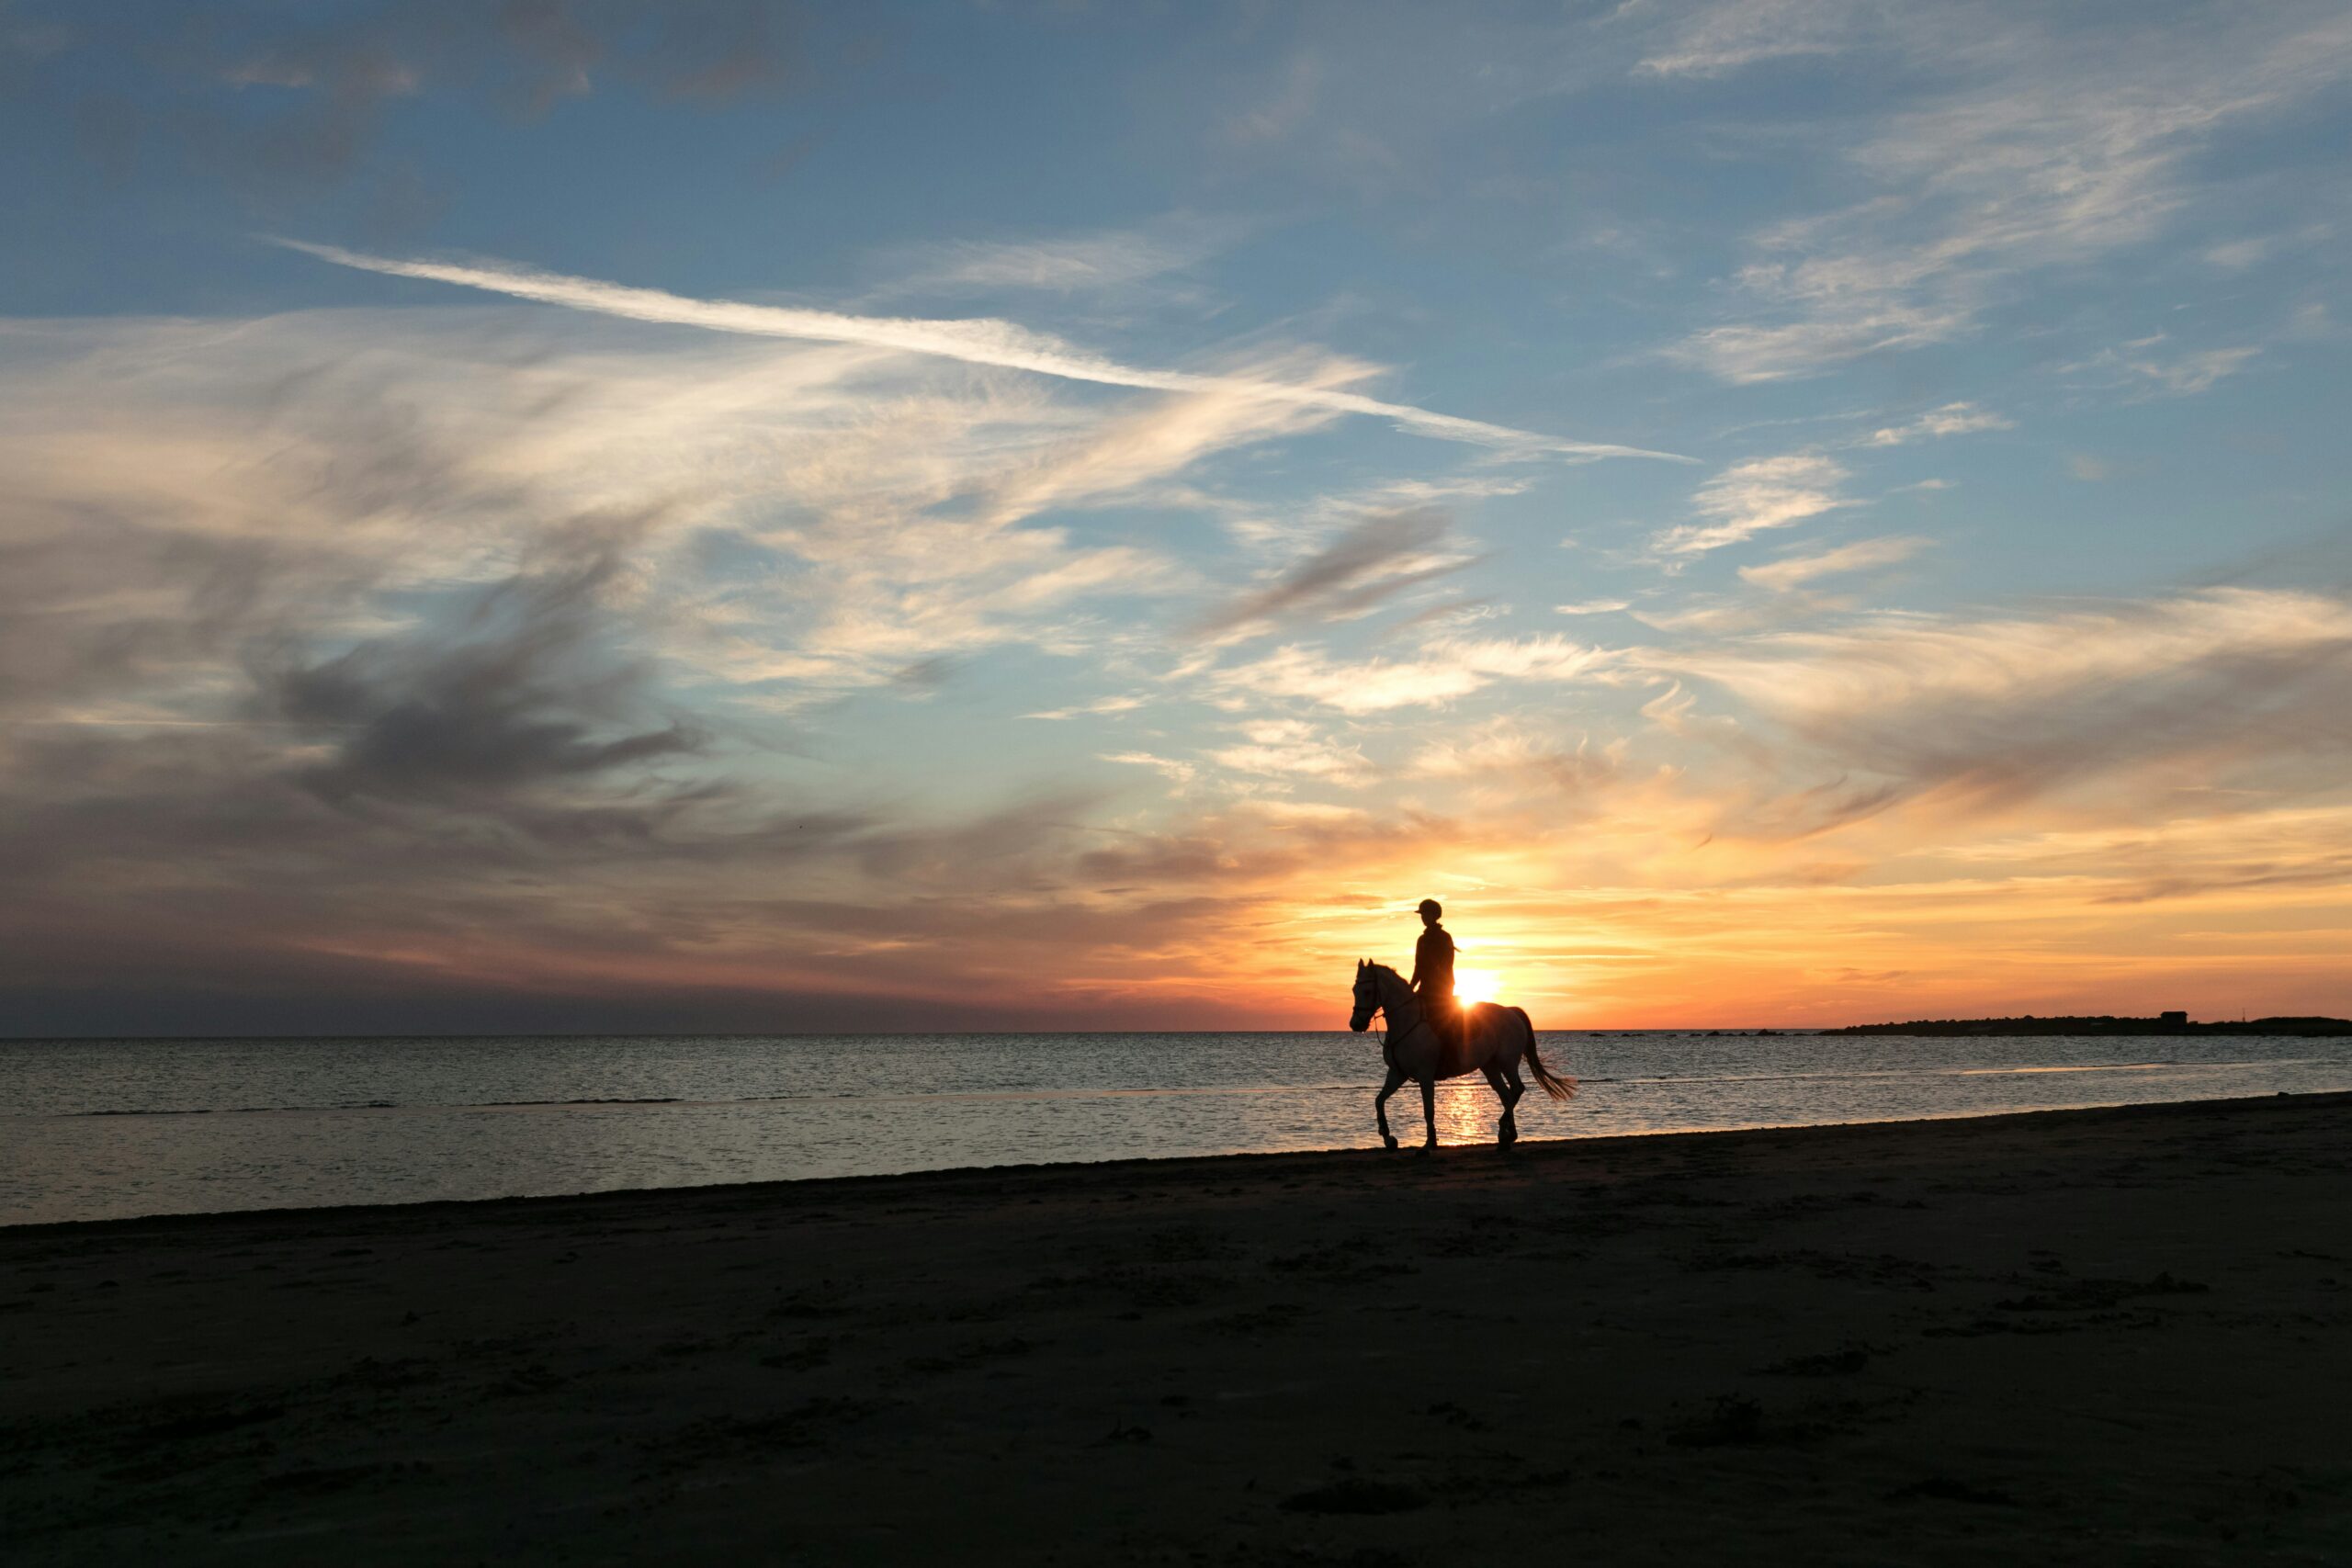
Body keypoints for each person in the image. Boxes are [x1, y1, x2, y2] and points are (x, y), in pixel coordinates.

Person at [1408, 897, 1462, 1053]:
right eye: (1422, 915)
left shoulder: (1445, 937)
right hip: (1425, 986)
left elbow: (1447, 963)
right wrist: (1411, 986)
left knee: (1441, 1018)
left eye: (1426, 914)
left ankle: (1450, 1050)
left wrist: (1434, 978)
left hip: (1442, 986)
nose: (1423, 918)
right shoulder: (1422, 940)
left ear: (1434, 915)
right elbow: (1418, 966)